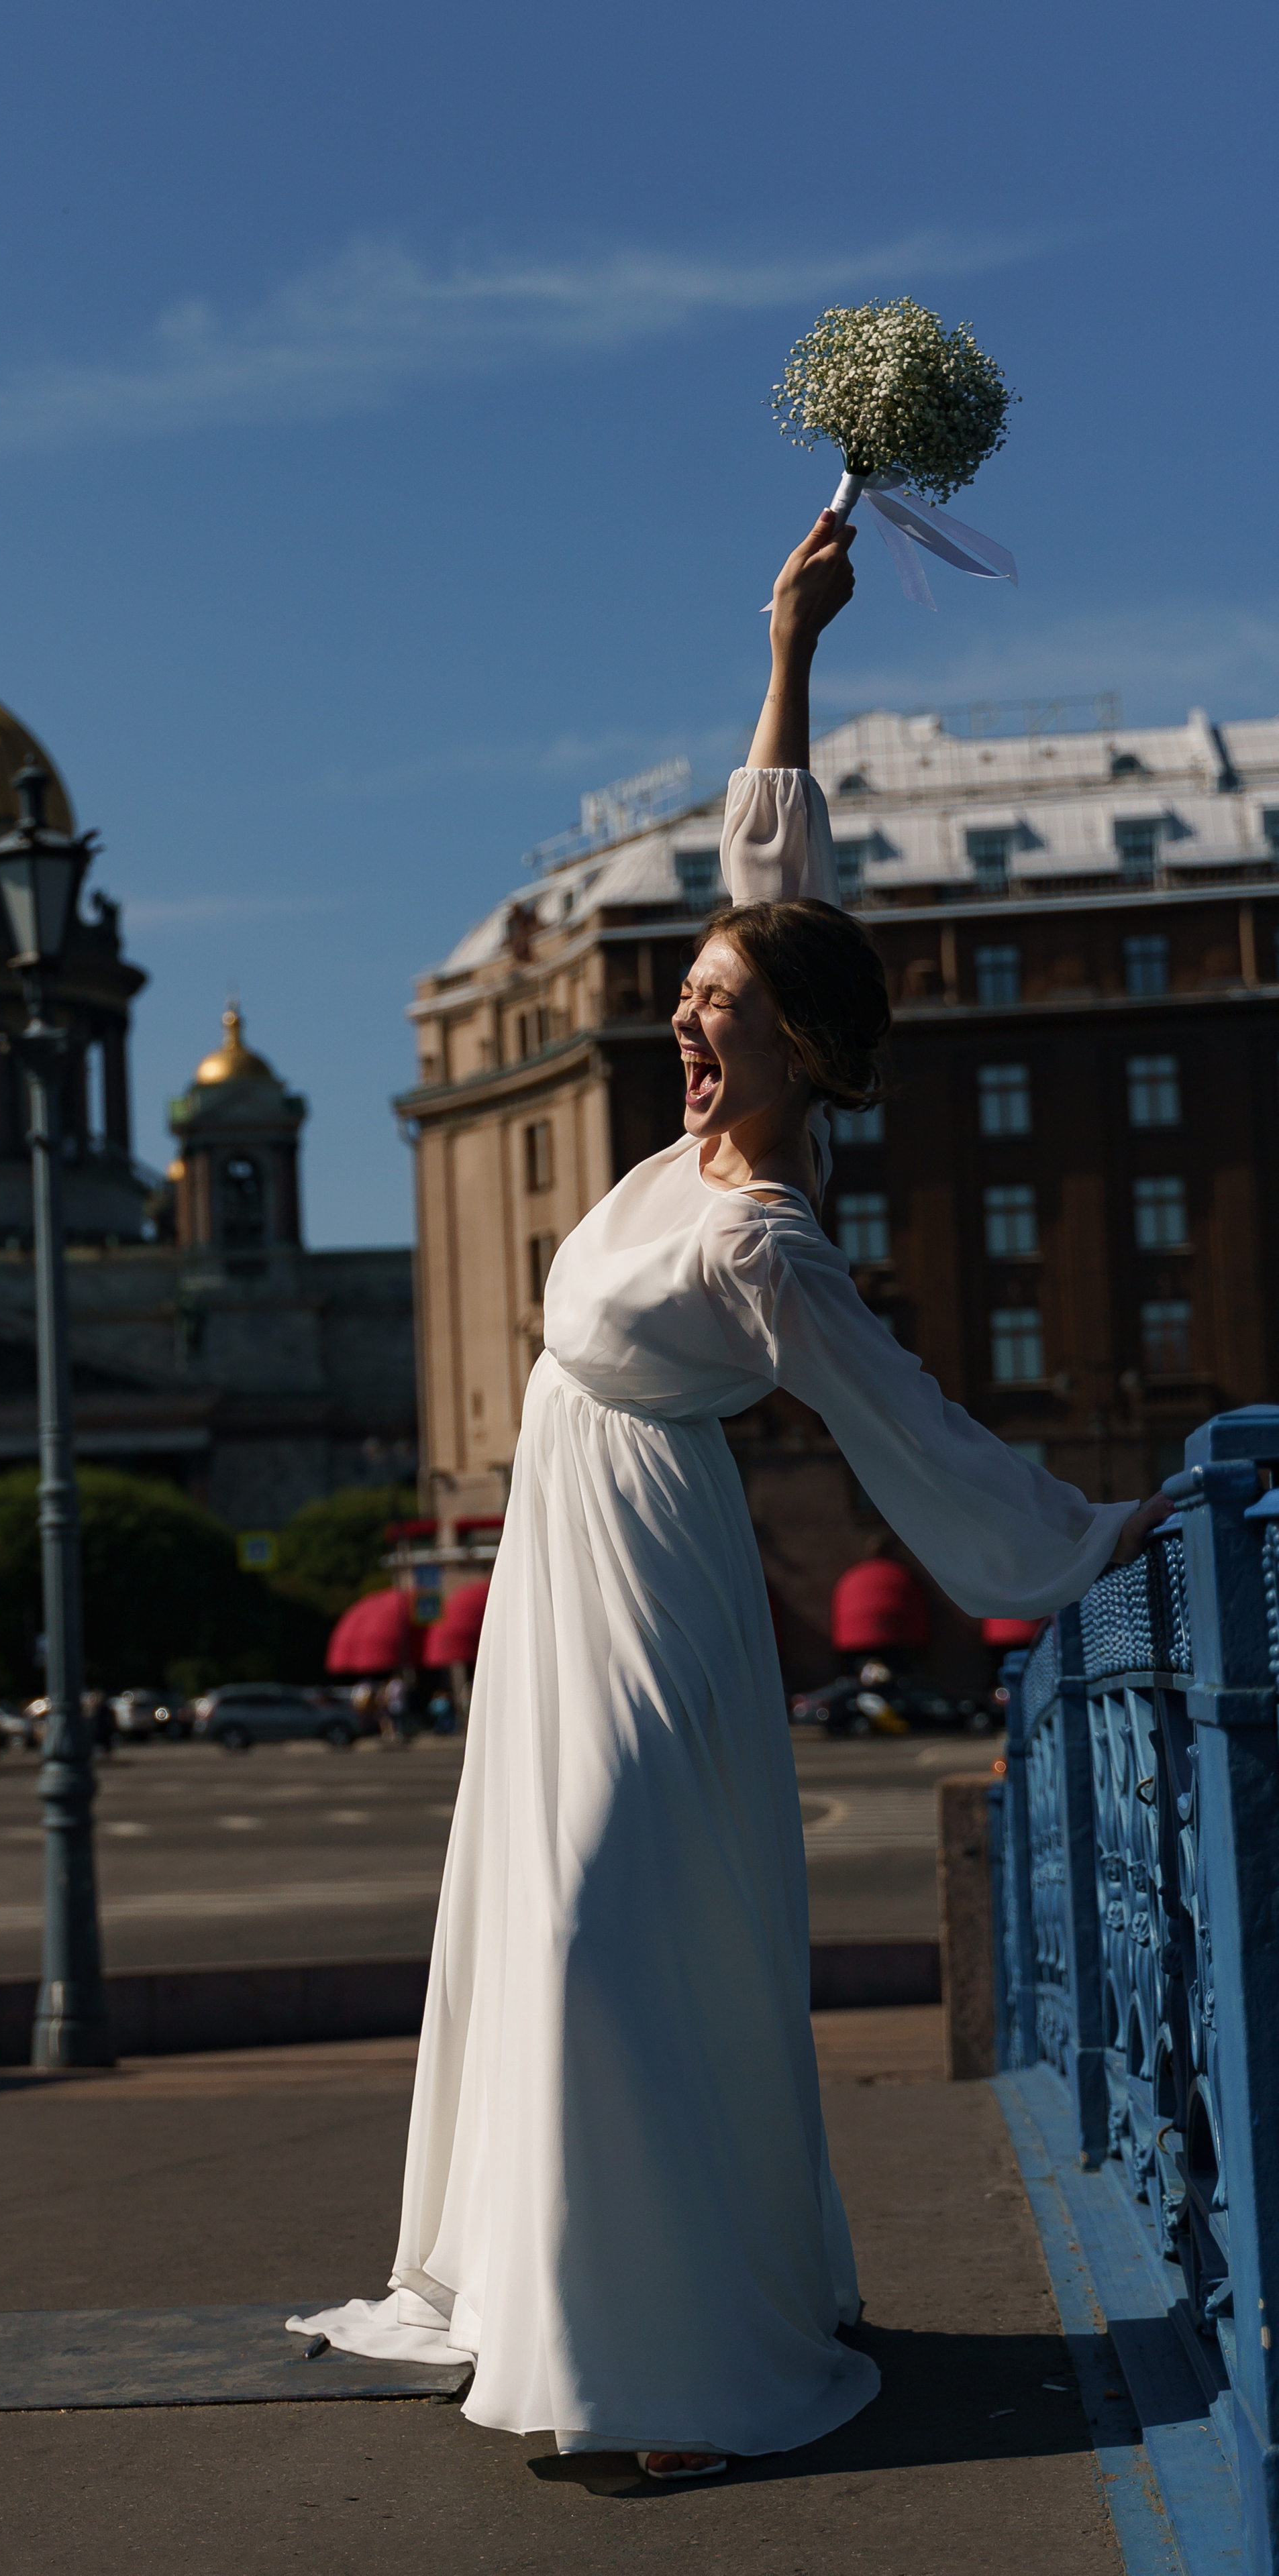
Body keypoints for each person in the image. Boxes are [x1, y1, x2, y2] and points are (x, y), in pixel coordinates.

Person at [290, 511, 1172, 2477]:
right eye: (687, 1003)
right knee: (545, 1923)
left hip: (655, 1583)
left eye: (722, 1017)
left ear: (803, 1058)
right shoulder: (706, 1140)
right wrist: (789, 645)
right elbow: (778, 877)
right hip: (562, 1560)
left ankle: (664, 2363)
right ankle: (581, 2300)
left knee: (618, 1925)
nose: (686, 1029)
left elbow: (907, 1429)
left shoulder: (771, 1234)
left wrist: (1082, 1537)